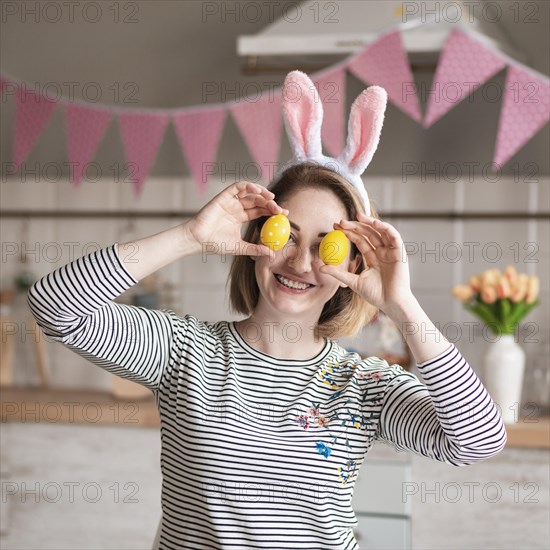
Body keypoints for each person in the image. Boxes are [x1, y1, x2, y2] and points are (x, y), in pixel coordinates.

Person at [27, 72, 507, 550]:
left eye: (328, 248)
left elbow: (479, 441)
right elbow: (53, 305)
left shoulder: (363, 385)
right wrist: (189, 236)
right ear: (257, 238)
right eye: (287, 235)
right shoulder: (183, 352)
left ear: (354, 266)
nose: (300, 262)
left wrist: (401, 305)